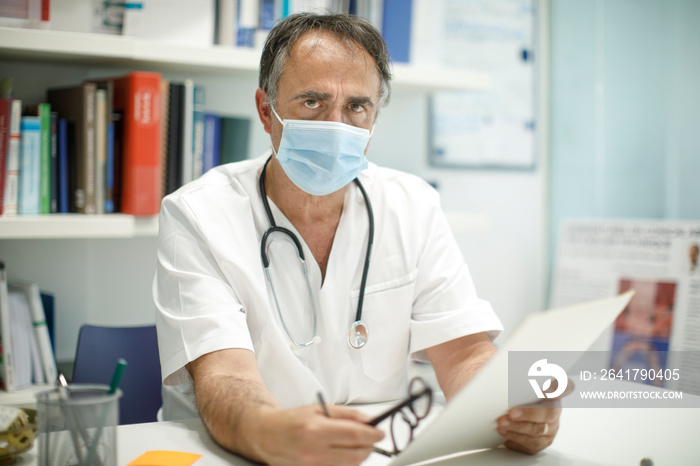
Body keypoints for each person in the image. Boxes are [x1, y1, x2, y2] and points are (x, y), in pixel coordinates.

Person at [153, 12, 563, 465]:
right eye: (312, 101)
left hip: (376, 454)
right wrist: (272, 432)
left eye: (357, 106)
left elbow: (464, 352)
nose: (336, 125)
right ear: (266, 110)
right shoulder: (198, 213)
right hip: (239, 452)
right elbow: (225, 377)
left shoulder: (412, 204)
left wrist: (511, 408)